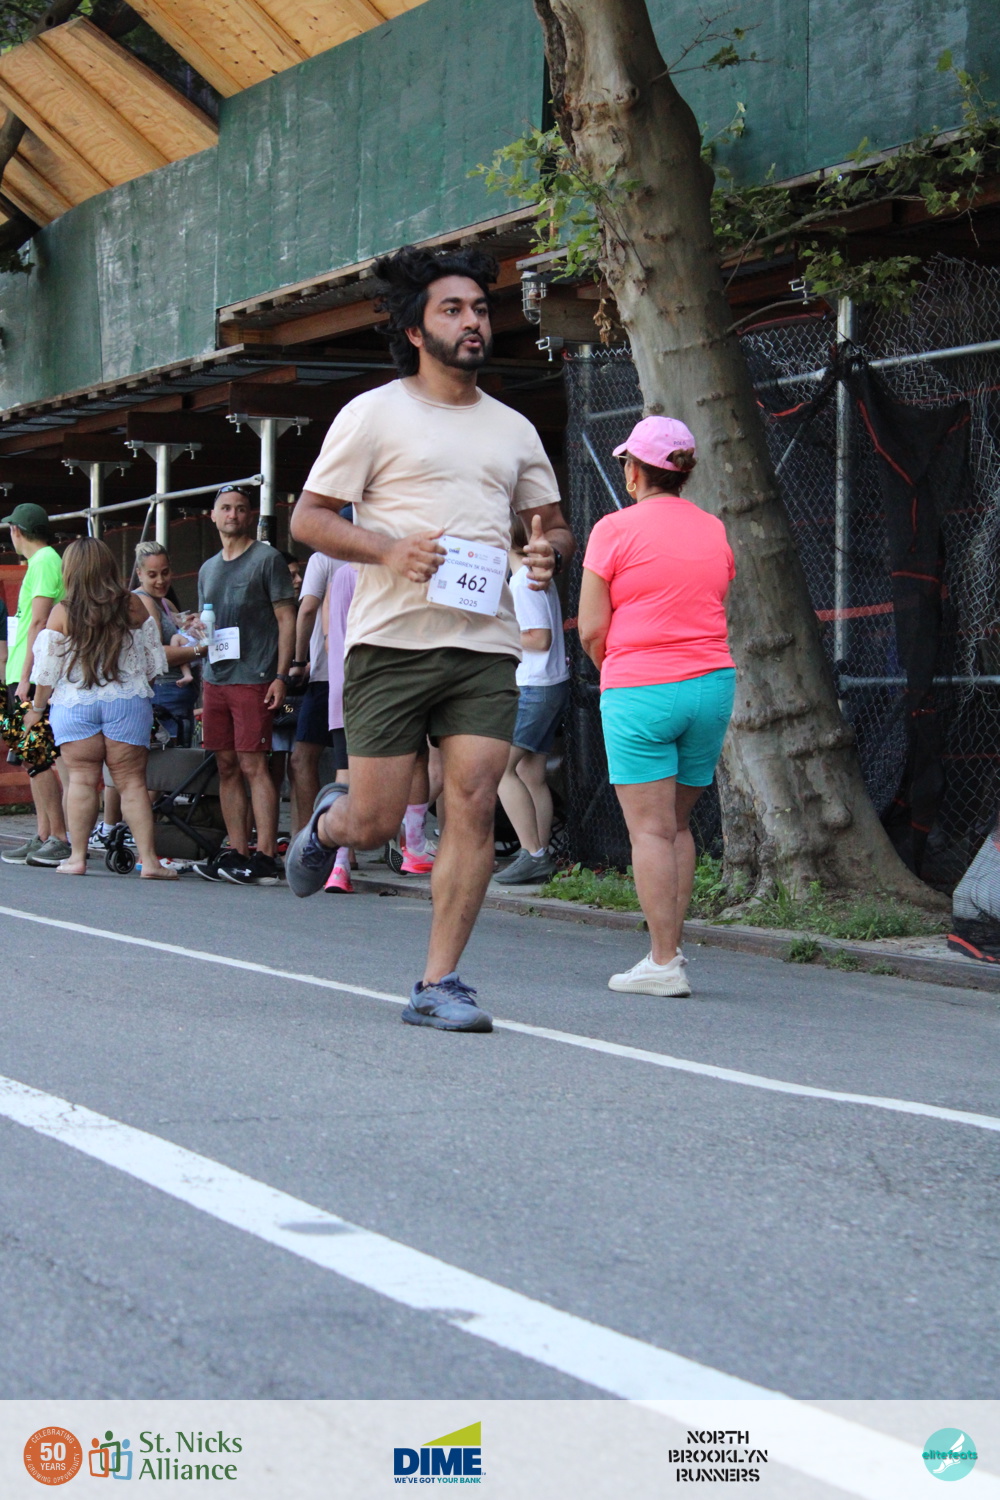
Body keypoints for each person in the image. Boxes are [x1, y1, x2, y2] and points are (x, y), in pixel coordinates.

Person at [288, 244, 574, 1032]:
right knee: (376, 822)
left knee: (472, 800)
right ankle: (330, 824)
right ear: (416, 330)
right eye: (453, 310)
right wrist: (386, 550)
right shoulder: (373, 414)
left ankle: (439, 982)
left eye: (479, 309)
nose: (472, 321)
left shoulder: (513, 428)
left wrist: (548, 552)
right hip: (390, 642)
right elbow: (308, 519)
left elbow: (550, 526)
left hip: (484, 644)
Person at [577, 417, 736, 998]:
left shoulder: (613, 529)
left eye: (626, 462)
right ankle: (670, 951)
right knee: (677, 825)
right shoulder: (713, 528)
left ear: (635, 472)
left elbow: (592, 628)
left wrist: (619, 671)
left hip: (641, 686)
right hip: (712, 685)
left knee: (648, 831)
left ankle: (664, 962)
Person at [25, 537, 178, 879]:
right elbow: (153, 664)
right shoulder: (133, 605)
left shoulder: (62, 612)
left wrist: (37, 707)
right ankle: (149, 862)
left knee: (80, 781)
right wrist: (137, 691)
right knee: (132, 783)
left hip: (75, 704)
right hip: (126, 702)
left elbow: (46, 672)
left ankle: (77, 858)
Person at [193, 487, 296, 885]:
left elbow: (287, 619)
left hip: (255, 676)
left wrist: (281, 675)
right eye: (225, 508)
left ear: (250, 515)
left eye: (239, 508)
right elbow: (207, 623)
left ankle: (266, 856)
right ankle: (238, 851)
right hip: (215, 677)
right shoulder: (207, 569)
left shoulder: (266, 559)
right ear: (213, 515)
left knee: (254, 764)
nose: (232, 515)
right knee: (225, 765)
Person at [495, 511, 570, 885]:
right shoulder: (533, 577)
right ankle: (539, 852)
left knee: (500, 769)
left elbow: (539, 638)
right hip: (549, 684)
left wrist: (496, 633)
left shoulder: (523, 581)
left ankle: (534, 854)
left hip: (533, 686)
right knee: (530, 772)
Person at [0, 502, 70, 868]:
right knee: (31, 758)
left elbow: (40, 622)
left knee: (37, 756)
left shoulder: (43, 562)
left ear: (16, 531)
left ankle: (58, 836)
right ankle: (44, 834)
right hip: (22, 672)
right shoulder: (42, 561)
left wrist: (26, 677)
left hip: (30, 675)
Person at [133, 540, 208, 746]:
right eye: (152, 575)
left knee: (180, 756)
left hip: (178, 694)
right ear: (139, 573)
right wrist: (200, 650)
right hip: (163, 692)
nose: (160, 581)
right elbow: (157, 655)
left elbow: (184, 633)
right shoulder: (144, 601)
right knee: (171, 758)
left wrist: (195, 624)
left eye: (165, 573)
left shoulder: (165, 602)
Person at [289, 548, 341, 837]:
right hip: (367, 674)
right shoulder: (374, 556)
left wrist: (298, 662)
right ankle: (346, 847)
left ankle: (313, 838)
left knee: (302, 759)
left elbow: (308, 609)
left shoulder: (323, 559)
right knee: (348, 761)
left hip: (327, 675)